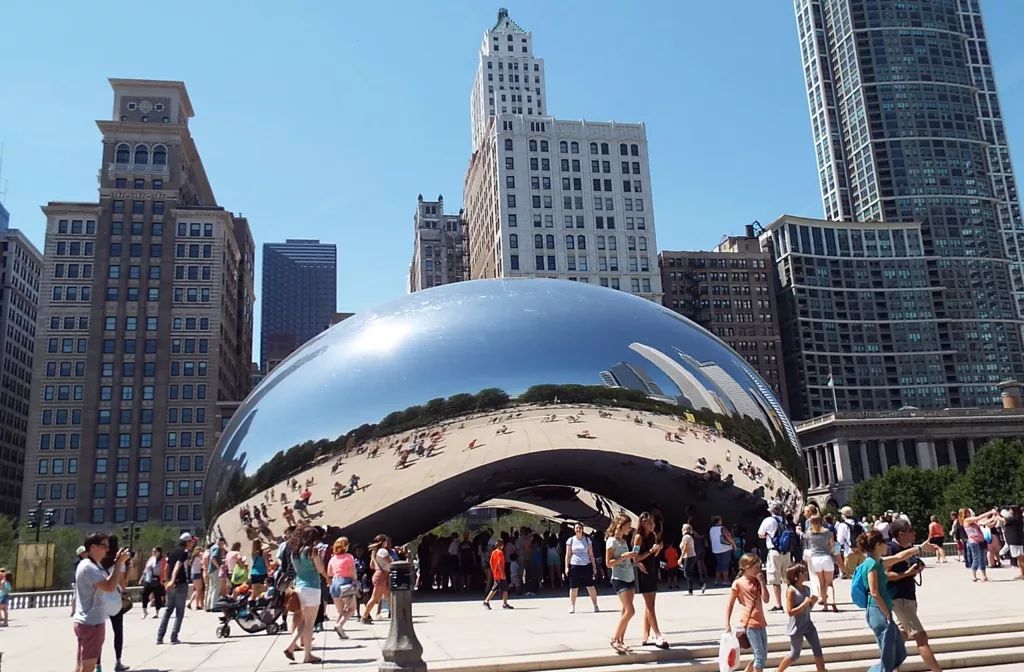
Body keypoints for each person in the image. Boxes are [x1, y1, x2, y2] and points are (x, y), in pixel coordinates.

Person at [857, 530, 935, 672]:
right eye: (884, 542)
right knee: (888, 656)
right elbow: (874, 592)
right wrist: (886, 613)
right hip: (878, 611)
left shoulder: (877, 561)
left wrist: (919, 548)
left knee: (898, 653)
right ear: (878, 545)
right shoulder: (871, 565)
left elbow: (899, 556)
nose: (887, 544)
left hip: (882, 611)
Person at [886, 518, 943, 672]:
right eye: (910, 531)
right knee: (921, 637)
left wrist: (918, 567)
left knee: (902, 635)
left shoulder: (908, 548)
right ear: (900, 534)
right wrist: (906, 573)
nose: (914, 534)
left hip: (908, 596)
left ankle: (889, 668)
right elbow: (886, 574)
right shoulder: (891, 549)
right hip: (899, 598)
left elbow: (913, 563)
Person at [74, 534, 128, 672]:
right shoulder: (89, 567)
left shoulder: (89, 565)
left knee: (81, 666)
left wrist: (116, 562)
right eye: (104, 546)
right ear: (93, 547)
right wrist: (119, 564)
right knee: (87, 668)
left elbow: (105, 582)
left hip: (85, 621)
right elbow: (110, 587)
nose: (107, 550)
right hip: (92, 623)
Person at [283, 526, 329, 664]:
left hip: (299, 587)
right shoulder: (312, 551)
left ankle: (291, 646)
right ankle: (307, 655)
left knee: (303, 621)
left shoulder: (294, 553)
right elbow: (320, 569)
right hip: (312, 588)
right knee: (310, 624)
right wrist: (327, 576)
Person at [725, 553, 770, 672]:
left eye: (759, 567)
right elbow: (730, 604)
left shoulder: (757, 581)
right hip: (749, 623)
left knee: (762, 655)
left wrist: (762, 582)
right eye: (756, 567)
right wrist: (727, 623)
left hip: (761, 621)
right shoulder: (738, 583)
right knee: (759, 656)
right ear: (746, 567)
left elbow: (766, 599)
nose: (758, 570)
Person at [775, 563, 825, 672]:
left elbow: (807, 609)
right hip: (796, 627)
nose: (806, 573)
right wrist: (804, 603)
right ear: (795, 576)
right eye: (802, 572)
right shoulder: (791, 591)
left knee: (817, 650)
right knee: (794, 655)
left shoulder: (806, 589)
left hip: (808, 624)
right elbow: (790, 612)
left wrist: (812, 603)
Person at [633, 512, 668, 649]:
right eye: (650, 523)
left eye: (653, 523)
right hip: (643, 571)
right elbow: (635, 557)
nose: (652, 525)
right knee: (650, 605)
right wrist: (650, 551)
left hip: (651, 568)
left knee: (650, 604)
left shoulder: (652, 536)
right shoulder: (638, 537)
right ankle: (657, 633)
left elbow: (653, 554)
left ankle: (646, 635)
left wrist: (657, 550)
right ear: (643, 524)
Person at [606, 513, 638, 654]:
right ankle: (614, 638)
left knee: (625, 610)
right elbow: (609, 563)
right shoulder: (611, 541)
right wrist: (623, 557)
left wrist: (631, 558)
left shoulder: (624, 541)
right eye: (628, 526)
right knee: (630, 610)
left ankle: (621, 641)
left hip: (629, 575)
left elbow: (625, 559)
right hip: (619, 578)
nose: (630, 529)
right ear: (621, 526)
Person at [157, 532, 196, 645]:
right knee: (179, 611)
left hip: (170, 584)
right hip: (179, 583)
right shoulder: (183, 553)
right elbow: (178, 566)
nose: (192, 544)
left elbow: (166, 567)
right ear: (187, 542)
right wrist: (173, 580)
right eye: (191, 541)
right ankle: (174, 637)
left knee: (168, 610)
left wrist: (166, 581)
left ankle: (160, 637)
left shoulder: (173, 552)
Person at [99, 535, 130, 672]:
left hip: (101, 598)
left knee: (99, 634)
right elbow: (121, 582)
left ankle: (97, 665)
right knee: (118, 631)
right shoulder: (119, 562)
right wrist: (124, 592)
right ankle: (118, 662)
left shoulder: (100, 561)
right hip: (115, 598)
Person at [758, 500, 792, 613]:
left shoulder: (768, 520)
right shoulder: (784, 521)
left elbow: (760, 534)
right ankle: (791, 602)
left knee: (775, 579)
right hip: (786, 552)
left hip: (774, 552)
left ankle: (779, 605)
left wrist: (768, 535)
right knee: (787, 579)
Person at [564, 522, 599, 613]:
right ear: (574, 530)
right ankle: (572, 605)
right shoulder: (570, 540)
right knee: (574, 587)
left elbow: (591, 554)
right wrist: (566, 567)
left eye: (580, 528)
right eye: (576, 528)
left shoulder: (587, 540)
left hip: (586, 565)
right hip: (575, 565)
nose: (578, 530)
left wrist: (594, 566)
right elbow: (568, 555)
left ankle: (595, 605)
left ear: (582, 529)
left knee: (590, 586)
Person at [327, 537, 358, 638]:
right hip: (345, 583)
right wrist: (355, 580)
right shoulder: (349, 557)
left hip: (334, 584)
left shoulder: (333, 558)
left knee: (339, 611)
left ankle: (339, 631)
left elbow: (329, 573)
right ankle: (339, 625)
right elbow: (353, 571)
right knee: (352, 608)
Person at [805, 515, 837, 613]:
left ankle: (825, 606)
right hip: (826, 557)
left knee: (821, 583)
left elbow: (808, 545)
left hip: (815, 558)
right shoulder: (827, 532)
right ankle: (833, 603)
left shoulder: (809, 533)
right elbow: (832, 547)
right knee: (830, 583)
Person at [959, 508, 1000, 581]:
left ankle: (984, 576)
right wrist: (990, 512)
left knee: (982, 559)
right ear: (964, 514)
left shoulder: (973, 522)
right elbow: (979, 517)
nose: (969, 513)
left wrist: (994, 518)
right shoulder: (966, 520)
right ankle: (974, 576)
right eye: (968, 512)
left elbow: (983, 523)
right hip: (974, 542)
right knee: (976, 559)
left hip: (981, 541)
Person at [361, 535, 392, 624]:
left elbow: (372, 566)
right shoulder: (383, 551)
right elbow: (391, 562)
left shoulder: (375, 552)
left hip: (379, 575)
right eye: (386, 541)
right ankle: (365, 616)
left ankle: (395, 615)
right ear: (382, 542)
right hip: (382, 576)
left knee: (389, 597)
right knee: (375, 598)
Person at [483, 537, 512, 610]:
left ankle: (505, 603)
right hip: (500, 574)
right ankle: (486, 601)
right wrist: (502, 573)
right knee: (495, 588)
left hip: (496, 572)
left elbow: (491, 562)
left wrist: (493, 570)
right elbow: (499, 563)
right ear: (502, 545)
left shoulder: (493, 552)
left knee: (505, 588)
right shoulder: (500, 553)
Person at [836, 507, 865, 580]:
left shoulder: (842, 525)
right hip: (861, 552)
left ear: (844, 515)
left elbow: (840, 540)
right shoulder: (859, 523)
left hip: (849, 552)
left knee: (851, 578)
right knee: (862, 575)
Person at [709, 515, 735, 586]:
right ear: (719, 521)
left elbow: (711, 539)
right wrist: (734, 545)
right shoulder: (723, 528)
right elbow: (729, 537)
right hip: (725, 548)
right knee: (725, 565)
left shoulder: (711, 529)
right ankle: (725, 580)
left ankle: (717, 581)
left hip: (716, 549)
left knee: (719, 565)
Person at [680, 523, 706, 595]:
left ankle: (701, 584)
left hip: (688, 556)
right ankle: (690, 590)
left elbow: (685, 548)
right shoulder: (689, 536)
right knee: (689, 572)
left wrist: (680, 558)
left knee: (686, 574)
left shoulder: (686, 537)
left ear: (685, 529)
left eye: (682, 528)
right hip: (690, 556)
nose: (681, 529)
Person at [141, 546, 166, 619]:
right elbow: (146, 569)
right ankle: (145, 611)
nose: (153, 553)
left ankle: (157, 612)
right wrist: (142, 578)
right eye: (153, 551)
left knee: (157, 596)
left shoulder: (162, 560)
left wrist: (163, 581)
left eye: (155, 551)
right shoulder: (151, 559)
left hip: (157, 579)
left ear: (159, 552)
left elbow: (164, 571)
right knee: (144, 594)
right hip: (148, 579)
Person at [1000, 505, 1024, 580]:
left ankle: (1023, 573)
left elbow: (1002, 519)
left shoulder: (1015, 518)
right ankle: (1022, 573)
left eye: (1010, 510)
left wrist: (996, 514)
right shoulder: (1017, 518)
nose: (1009, 511)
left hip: (1015, 540)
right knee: (1019, 558)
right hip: (1016, 540)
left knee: (1020, 558)